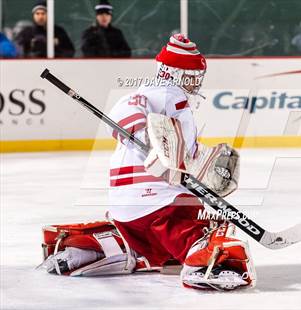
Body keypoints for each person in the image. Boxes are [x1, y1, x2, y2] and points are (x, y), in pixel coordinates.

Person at [40, 34, 256, 291]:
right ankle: (208, 262)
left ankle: (112, 248)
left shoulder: (160, 97)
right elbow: (125, 111)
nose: (195, 83)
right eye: (190, 76)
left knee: (152, 241)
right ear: (171, 73)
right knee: (212, 225)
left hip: (127, 212)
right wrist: (147, 139)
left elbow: (181, 156)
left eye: (197, 77)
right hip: (160, 206)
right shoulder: (168, 96)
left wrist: (206, 166)